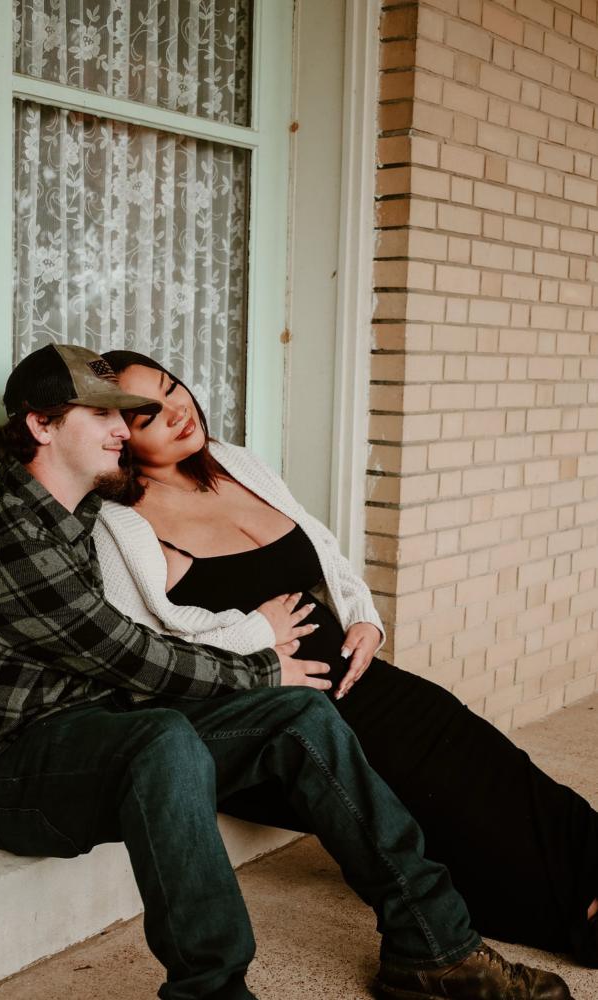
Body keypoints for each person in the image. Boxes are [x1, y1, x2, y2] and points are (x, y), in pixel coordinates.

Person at [0, 344, 571, 1000]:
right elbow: (138, 658)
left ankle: (432, 948)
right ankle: (212, 991)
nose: (122, 430)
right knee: (163, 738)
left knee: (302, 714)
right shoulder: (9, 540)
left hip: (94, 729)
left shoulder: (76, 506)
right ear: (42, 425)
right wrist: (265, 668)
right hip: (7, 772)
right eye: (103, 415)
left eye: (125, 415)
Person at [95, 347, 598, 969]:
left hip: (354, 679)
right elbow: (143, 653)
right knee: (448, 802)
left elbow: (326, 553)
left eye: (174, 389)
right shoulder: (121, 525)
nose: (178, 412)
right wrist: (257, 633)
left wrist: (364, 618)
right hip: (275, 714)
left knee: (484, 756)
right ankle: (574, 914)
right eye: (148, 414)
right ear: (119, 435)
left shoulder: (234, 463)